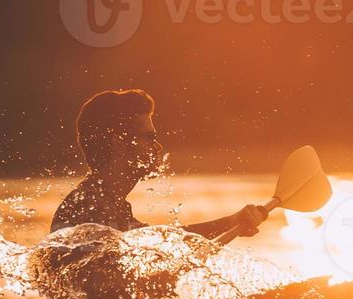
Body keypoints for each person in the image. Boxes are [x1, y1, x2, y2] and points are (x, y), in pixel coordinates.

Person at [51, 89, 269, 240]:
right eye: (148, 137)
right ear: (118, 143)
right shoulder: (89, 207)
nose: (157, 147)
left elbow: (161, 243)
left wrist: (231, 223)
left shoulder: (110, 204)